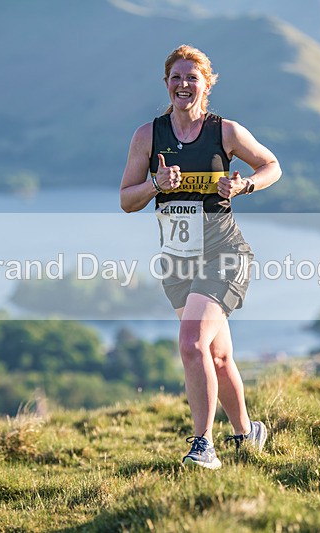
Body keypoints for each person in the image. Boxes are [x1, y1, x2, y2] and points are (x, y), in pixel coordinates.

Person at [120, 44, 281, 469]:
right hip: (178, 259)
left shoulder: (224, 132)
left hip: (225, 253)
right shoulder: (147, 136)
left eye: (192, 77)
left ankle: (203, 444)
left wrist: (245, 185)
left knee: (192, 343)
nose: (183, 84)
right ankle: (248, 434)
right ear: (166, 83)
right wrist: (156, 184)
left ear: (206, 85)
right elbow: (126, 199)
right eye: (176, 77)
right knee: (217, 356)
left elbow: (272, 166)